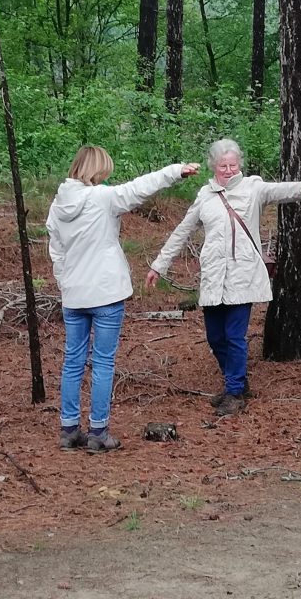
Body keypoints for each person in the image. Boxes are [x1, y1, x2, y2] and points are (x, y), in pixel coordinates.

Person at [146, 138, 301, 415]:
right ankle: (237, 381)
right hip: (213, 277)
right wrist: (158, 265)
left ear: (240, 165)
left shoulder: (252, 188)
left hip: (243, 274)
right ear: (214, 166)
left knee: (235, 336)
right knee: (215, 338)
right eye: (223, 165)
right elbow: (181, 232)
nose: (228, 170)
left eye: (233, 165)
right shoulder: (205, 195)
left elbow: (278, 190)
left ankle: (234, 391)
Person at [47, 147, 200, 451]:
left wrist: (66, 283)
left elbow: (57, 251)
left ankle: (69, 430)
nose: (107, 176)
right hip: (106, 292)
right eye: (105, 170)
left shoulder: (58, 204)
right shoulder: (103, 198)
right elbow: (139, 188)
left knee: (73, 360)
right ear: (97, 170)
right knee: (102, 362)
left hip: (75, 295)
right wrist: (175, 171)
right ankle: (98, 432)